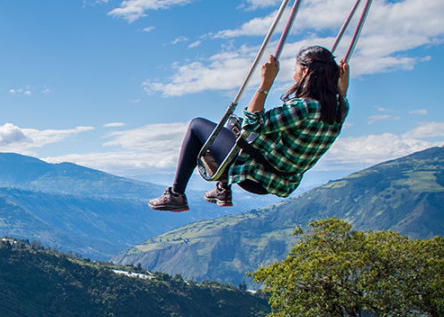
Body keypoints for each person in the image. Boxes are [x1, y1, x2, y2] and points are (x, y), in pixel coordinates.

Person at [149, 45, 350, 212]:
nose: (294, 74)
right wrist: (341, 89)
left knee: (196, 125)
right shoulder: (340, 107)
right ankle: (222, 190)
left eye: (296, 68)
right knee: (233, 125)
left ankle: (176, 194)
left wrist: (266, 83)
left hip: (257, 175)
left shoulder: (304, 107)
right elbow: (338, 101)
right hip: (281, 179)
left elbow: (253, 123)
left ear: (305, 71)